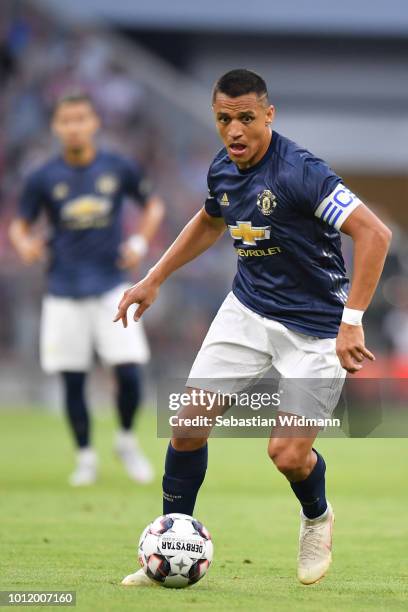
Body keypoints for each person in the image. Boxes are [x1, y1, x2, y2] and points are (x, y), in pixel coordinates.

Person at [115, 69, 391, 585]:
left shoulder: (302, 173)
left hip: (316, 328)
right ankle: (171, 543)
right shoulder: (224, 168)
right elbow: (210, 219)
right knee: (188, 424)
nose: (235, 131)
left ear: (269, 114)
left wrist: (352, 321)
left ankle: (316, 517)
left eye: (246, 118)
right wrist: (154, 278)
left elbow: (374, 234)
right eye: (224, 119)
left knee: (287, 455)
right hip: (247, 311)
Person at [9, 93, 165, 487]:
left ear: (94, 123)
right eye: (66, 120)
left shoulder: (118, 167)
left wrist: (138, 244)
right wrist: (25, 244)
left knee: (129, 372)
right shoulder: (43, 177)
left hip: (112, 287)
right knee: (72, 379)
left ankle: (126, 440)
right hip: (63, 289)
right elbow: (19, 224)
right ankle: (85, 457)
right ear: (56, 127)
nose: (74, 126)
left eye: (81, 118)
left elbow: (154, 207)